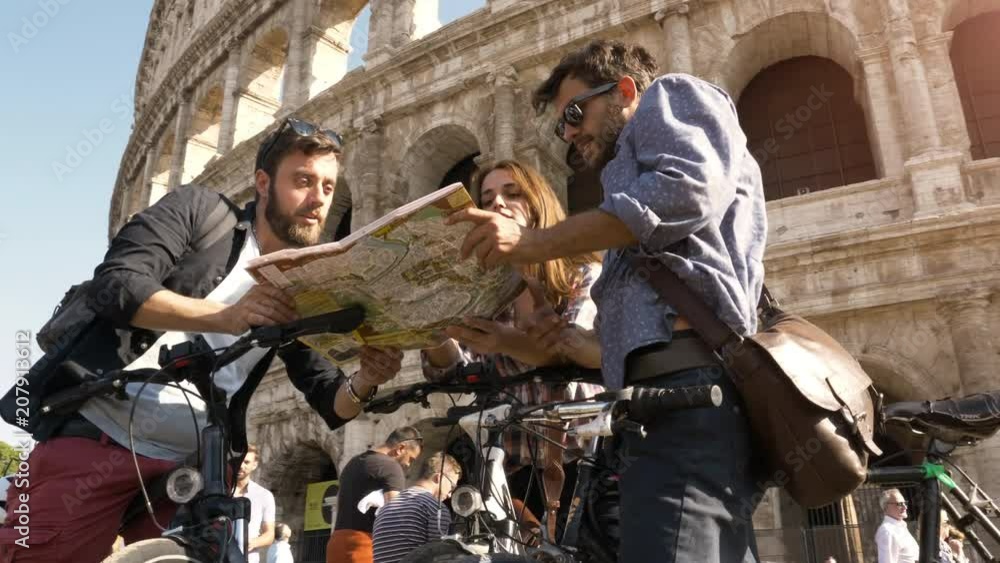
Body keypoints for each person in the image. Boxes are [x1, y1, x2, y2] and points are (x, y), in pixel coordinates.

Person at [0, 117, 405, 563]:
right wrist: (228, 316)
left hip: (199, 472)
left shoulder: (298, 287)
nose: (318, 200)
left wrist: (366, 380)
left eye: (328, 188)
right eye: (304, 181)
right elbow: (117, 285)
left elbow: (331, 399)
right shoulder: (201, 212)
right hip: (102, 438)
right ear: (263, 183)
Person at [446, 39, 767, 562]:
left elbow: (685, 193)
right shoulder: (625, 176)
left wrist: (530, 243)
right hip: (659, 398)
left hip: (687, 391)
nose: (569, 133)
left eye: (575, 112)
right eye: (561, 125)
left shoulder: (673, 95)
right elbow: (642, 325)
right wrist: (558, 342)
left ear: (623, 91)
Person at [422, 159, 603, 528]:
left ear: (538, 204)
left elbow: (568, 346)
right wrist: (430, 326)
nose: (498, 205)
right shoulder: (484, 296)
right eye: (487, 200)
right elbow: (456, 369)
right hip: (513, 469)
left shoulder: (582, 273)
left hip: (583, 460)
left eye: (512, 193)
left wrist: (505, 340)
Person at [328, 426, 424, 563]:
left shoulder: (353, 463)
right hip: (364, 545)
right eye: (411, 459)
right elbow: (394, 516)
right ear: (401, 448)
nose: (409, 464)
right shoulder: (391, 467)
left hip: (336, 542)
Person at [371, 452, 462, 563]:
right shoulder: (436, 508)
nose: (450, 495)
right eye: (452, 486)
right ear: (439, 477)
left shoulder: (386, 507)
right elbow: (442, 557)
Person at [235, 444, 276, 563]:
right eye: (238, 461)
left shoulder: (264, 495)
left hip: (248, 558)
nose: (241, 466)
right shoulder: (220, 492)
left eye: (246, 462)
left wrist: (252, 542)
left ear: (255, 465)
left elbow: (269, 534)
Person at [875, 488, 919, 563]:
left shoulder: (900, 527)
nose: (905, 507)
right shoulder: (887, 531)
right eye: (900, 504)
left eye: (905, 503)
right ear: (886, 507)